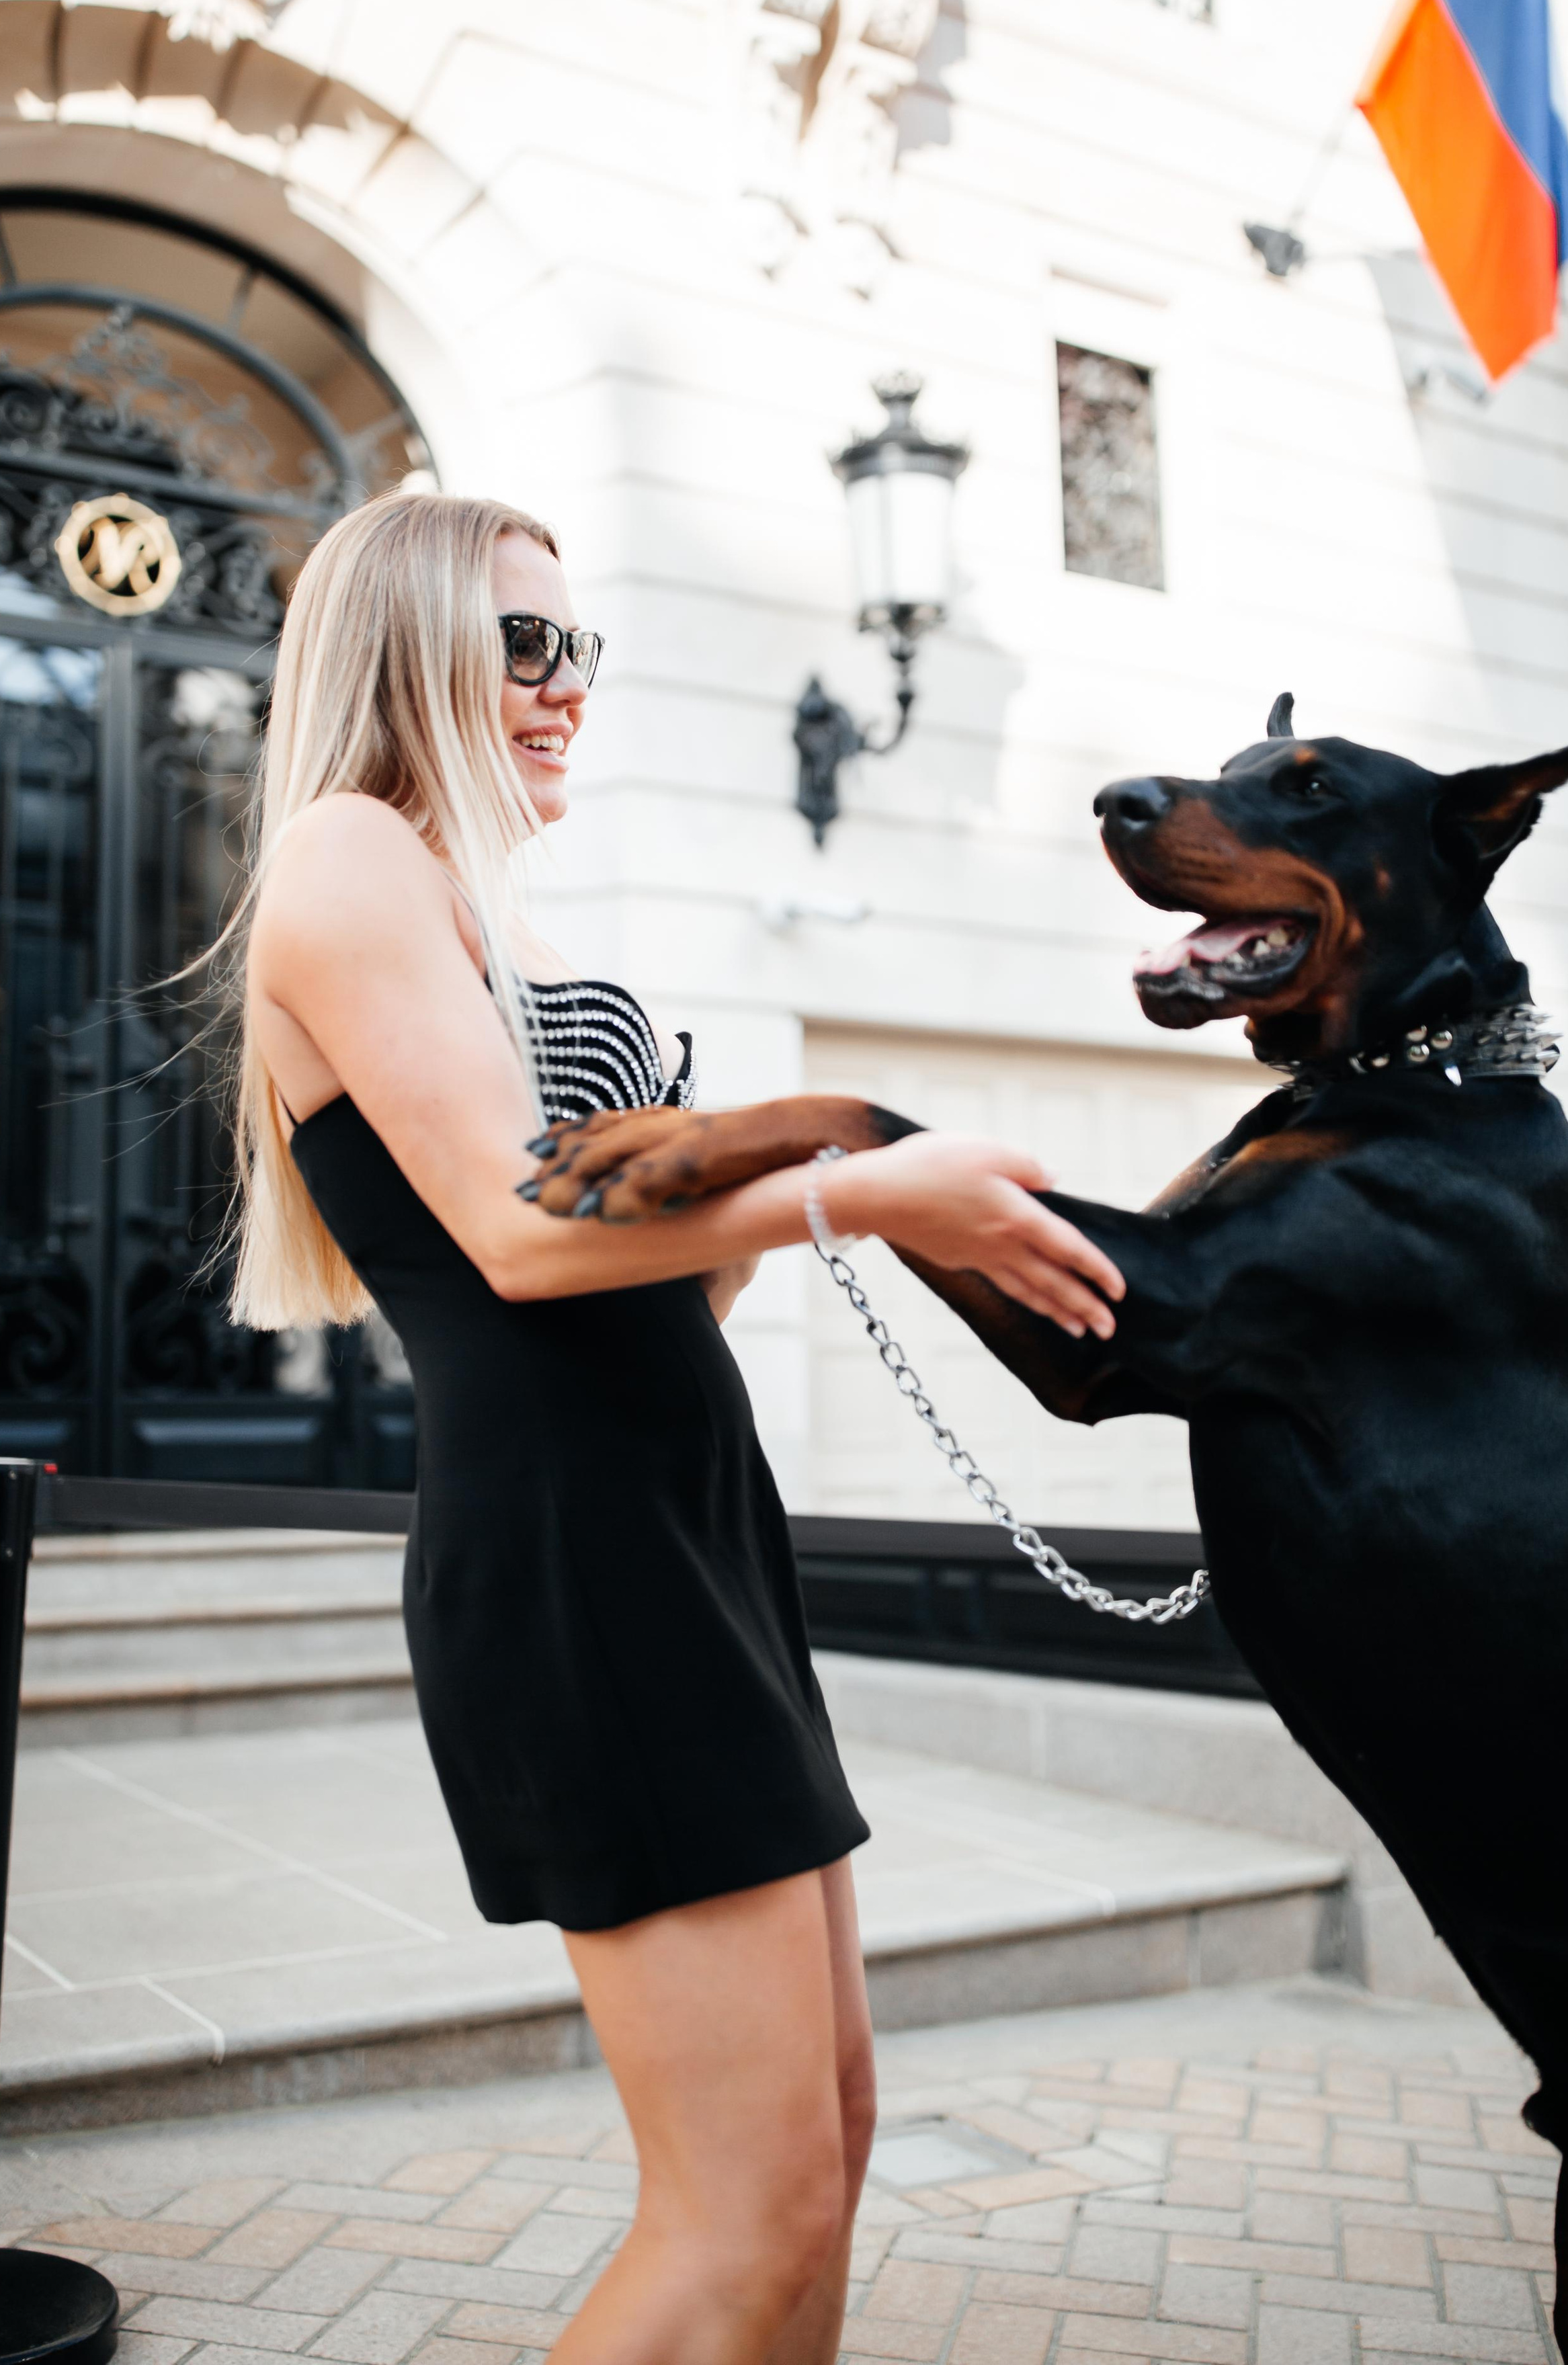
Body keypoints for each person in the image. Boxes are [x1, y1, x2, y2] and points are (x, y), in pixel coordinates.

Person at [232, 489, 1125, 2365]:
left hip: (686, 1526)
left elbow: (650, 1285)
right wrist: (866, 1179)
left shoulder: (471, 910)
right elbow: (505, 1236)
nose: (564, 689)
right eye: (522, 646)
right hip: (580, 1555)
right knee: (740, 2217)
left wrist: (773, 1181)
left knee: (832, 2147)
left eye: (581, 650)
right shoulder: (344, 854)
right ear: (403, 653)